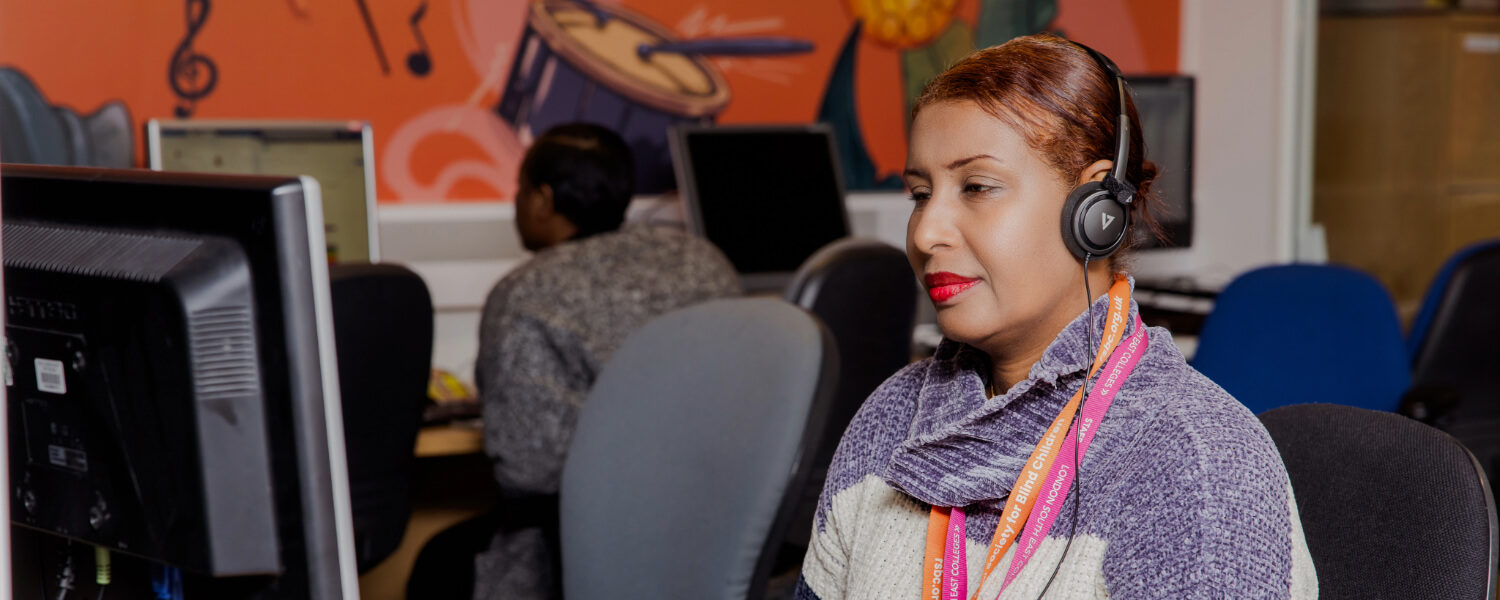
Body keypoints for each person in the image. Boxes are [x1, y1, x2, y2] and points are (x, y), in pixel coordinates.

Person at [795, 35, 1317, 600]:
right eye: (920, 194)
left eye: (976, 187)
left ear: (1094, 211)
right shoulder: (890, 420)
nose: (925, 233)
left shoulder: (1196, 463)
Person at [460, 123, 740, 599]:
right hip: (721, 534)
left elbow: (527, 470)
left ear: (542, 200)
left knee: (437, 563)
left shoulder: (525, 295)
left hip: (588, 551)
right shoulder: (703, 261)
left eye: (520, 189)